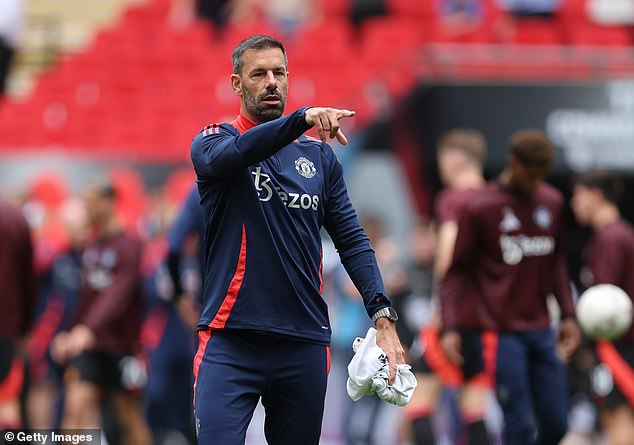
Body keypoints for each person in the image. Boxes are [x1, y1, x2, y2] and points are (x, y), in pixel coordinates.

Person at [189, 34, 405, 445]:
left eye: (279, 73)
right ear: (237, 84)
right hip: (231, 339)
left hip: (302, 342)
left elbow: (353, 240)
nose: (272, 82)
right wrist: (301, 119)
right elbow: (232, 156)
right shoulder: (213, 140)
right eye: (259, 74)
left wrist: (383, 317)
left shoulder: (320, 158)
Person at [440, 129, 581, 445]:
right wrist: (450, 326)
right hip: (499, 333)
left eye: (541, 173)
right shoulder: (481, 207)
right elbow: (456, 273)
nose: (535, 180)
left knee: (557, 424)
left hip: (542, 329)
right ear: (512, 163)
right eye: (529, 172)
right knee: (517, 424)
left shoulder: (552, 202)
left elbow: (556, 263)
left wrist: (569, 316)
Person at [409, 129, 492, 445]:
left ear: (456, 158)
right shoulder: (497, 198)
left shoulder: (453, 199)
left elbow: (448, 255)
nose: (441, 167)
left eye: (443, 159)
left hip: (455, 314)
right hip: (486, 319)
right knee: (474, 405)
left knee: (418, 401)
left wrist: (443, 309)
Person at [51, 181, 151, 445]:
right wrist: (70, 331)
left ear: (108, 203)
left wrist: (88, 328)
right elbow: (85, 300)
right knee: (75, 405)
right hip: (92, 347)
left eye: (90, 202)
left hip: (123, 348)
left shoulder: (130, 246)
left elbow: (116, 295)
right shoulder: (91, 247)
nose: (86, 209)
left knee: (128, 418)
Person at [571, 170, 634, 445]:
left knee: (617, 418)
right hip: (617, 347)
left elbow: (601, 305)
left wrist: (584, 340)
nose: (574, 204)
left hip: (618, 349)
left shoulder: (612, 237)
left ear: (595, 196)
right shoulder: (613, 234)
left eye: (577, 196)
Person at [0, 195, 36, 428]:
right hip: (7, 327)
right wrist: (25, 328)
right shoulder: (14, 217)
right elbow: (28, 281)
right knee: (7, 400)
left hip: (8, 326)